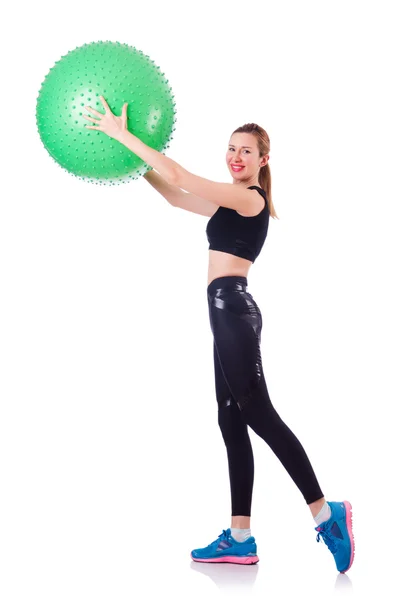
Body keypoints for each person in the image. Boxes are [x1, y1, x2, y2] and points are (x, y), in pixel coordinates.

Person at [83, 101, 355, 574]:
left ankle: (326, 511)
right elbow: (174, 193)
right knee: (230, 419)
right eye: (231, 149)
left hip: (234, 308)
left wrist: (120, 133)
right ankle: (241, 538)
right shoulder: (229, 200)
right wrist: (128, 162)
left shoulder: (251, 198)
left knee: (256, 412)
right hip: (222, 312)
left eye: (245, 151)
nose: (235, 157)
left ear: (262, 161)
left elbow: (181, 174)